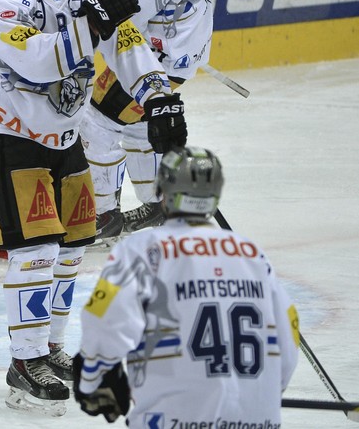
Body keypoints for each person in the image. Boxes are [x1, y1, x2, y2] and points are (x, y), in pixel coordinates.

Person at [0, 0, 186, 415]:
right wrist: (94, 25)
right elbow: (46, 61)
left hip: (65, 139)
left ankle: (48, 348)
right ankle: (24, 361)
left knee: (72, 250)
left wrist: (158, 96)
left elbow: (127, 43)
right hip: (11, 138)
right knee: (36, 250)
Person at [73, 146, 300, 426]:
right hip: (257, 418)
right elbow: (289, 333)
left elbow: (104, 321)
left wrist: (93, 378)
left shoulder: (144, 250)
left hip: (175, 418)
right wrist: (262, 397)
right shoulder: (252, 254)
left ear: (163, 192)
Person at [82, 0, 212, 240]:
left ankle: (103, 216)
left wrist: (102, 15)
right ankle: (158, 206)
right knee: (140, 125)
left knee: (97, 119)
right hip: (182, 43)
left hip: (156, 53)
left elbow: (134, 10)